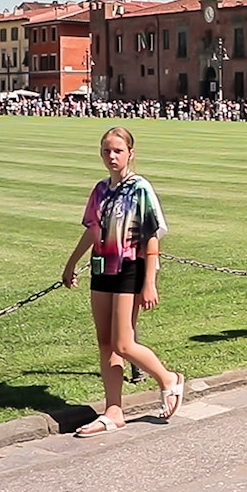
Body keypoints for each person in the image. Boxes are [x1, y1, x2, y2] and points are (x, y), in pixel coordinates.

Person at [62, 126, 184, 437]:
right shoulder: (101, 190)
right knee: (105, 344)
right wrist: (72, 262)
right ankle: (113, 410)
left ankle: (168, 379)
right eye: (106, 151)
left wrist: (150, 281)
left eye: (118, 150)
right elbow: (93, 230)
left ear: (130, 153)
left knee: (123, 343)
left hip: (129, 270)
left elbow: (152, 236)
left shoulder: (140, 188)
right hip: (102, 268)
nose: (112, 156)